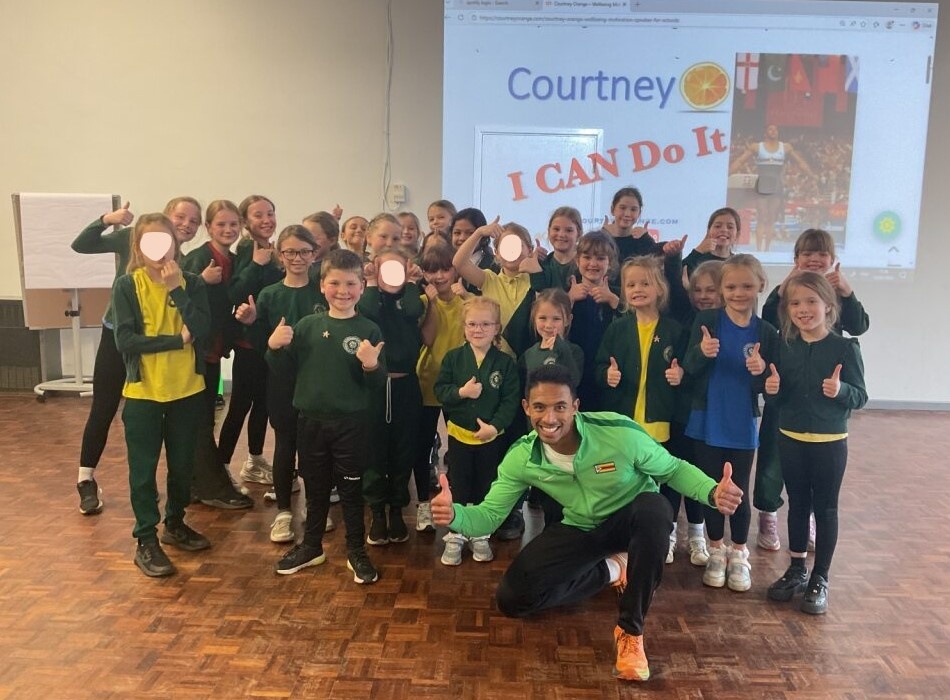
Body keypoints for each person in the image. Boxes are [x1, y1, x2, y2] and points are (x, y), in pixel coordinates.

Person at [431, 364, 742, 682]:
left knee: (655, 509)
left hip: (631, 522)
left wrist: (711, 491)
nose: (549, 418)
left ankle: (631, 631)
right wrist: (455, 515)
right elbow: (489, 516)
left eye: (560, 407)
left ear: (575, 407)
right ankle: (614, 569)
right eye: (539, 407)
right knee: (513, 599)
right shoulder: (522, 456)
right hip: (581, 526)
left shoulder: (618, 433)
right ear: (526, 407)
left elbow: (672, 469)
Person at [70, 197, 202, 516]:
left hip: (159, 352)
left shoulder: (184, 264)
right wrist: (107, 219)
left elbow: (193, 314)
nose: (186, 224)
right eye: (181, 217)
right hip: (119, 336)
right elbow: (81, 244)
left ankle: (157, 493)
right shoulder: (131, 237)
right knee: (104, 406)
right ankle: (85, 479)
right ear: (167, 218)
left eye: (194, 221)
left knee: (155, 422)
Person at [266, 249, 386, 584]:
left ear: (362, 287)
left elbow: (377, 384)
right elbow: (283, 371)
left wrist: (371, 365)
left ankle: (356, 551)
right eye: (335, 283)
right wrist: (273, 347)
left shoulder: (369, 330)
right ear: (322, 286)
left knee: (351, 491)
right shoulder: (307, 326)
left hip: (352, 425)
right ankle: (311, 546)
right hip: (311, 422)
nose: (342, 291)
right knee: (315, 488)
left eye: (350, 284)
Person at [755, 228, 870, 551]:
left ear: (832, 259)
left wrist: (846, 290)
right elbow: (769, 319)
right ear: (796, 258)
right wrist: (784, 287)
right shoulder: (786, 295)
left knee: (816, 471)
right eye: (807, 253)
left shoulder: (837, 296)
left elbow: (859, 325)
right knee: (773, 460)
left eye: (821, 254)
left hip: (823, 398)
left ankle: (807, 519)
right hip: (786, 391)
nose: (814, 259)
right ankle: (768, 514)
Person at [111, 213, 211, 576]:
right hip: (144, 393)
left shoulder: (192, 283)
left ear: (175, 244)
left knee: (182, 466)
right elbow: (125, 341)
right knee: (143, 470)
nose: (158, 250)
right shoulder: (127, 285)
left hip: (188, 390)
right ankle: (145, 539)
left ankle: (175, 523)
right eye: (149, 242)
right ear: (138, 248)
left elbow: (202, 327)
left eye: (164, 241)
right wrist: (176, 341)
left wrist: (175, 290)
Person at [764, 272, 867, 613]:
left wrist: (841, 391)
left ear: (829, 306)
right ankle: (796, 569)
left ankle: (820, 576)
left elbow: (860, 396)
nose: (803, 309)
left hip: (830, 442)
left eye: (811, 301)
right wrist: (771, 391)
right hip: (790, 438)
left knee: (825, 508)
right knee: (797, 504)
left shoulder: (845, 348)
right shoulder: (784, 345)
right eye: (795, 303)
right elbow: (777, 398)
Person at [683, 254, 778, 592]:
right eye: (731, 286)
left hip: (742, 422)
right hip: (706, 419)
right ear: (722, 289)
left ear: (760, 286)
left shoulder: (767, 331)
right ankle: (716, 549)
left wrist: (761, 373)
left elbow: (769, 384)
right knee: (712, 488)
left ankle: (739, 553)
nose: (739, 293)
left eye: (747, 286)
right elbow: (688, 367)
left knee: (738, 489)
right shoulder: (707, 321)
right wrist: (701, 352)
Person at [234, 225, 333, 543]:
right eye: (290, 251)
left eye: (304, 251)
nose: (298, 258)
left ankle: (314, 508)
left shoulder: (322, 292)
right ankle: (284, 512)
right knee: (285, 444)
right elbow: (258, 342)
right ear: (280, 254)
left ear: (314, 253)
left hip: (317, 381)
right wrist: (253, 324)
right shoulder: (269, 294)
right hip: (281, 381)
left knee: (314, 448)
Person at [594, 257, 692, 564]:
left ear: (660, 288)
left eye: (645, 283)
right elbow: (599, 366)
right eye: (631, 284)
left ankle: (665, 532)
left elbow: (687, 369)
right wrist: (606, 375)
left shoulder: (674, 330)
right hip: (625, 424)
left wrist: (681, 374)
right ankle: (625, 533)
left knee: (663, 480)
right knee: (625, 480)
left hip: (660, 422)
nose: (637, 289)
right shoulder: (617, 328)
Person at [181, 200, 258, 509]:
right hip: (194, 351)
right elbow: (177, 297)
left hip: (214, 351)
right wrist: (200, 280)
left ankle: (195, 483)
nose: (228, 229)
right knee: (199, 420)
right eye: (221, 224)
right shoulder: (198, 258)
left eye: (233, 224)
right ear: (208, 227)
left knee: (205, 418)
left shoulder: (236, 261)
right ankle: (208, 486)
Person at [434, 296, 520, 566]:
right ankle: (457, 532)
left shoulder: (505, 363)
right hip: (460, 436)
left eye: (485, 324)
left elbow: (510, 400)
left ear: (497, 328)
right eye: (472, 324)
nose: (478, 329)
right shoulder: (453, 358)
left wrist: (494, 427)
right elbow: (440, 390)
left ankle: (480, 532)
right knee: (459, 484)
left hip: (492, 438)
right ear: (464, 327)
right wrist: (461, 392)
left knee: (487, 484)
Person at [359, 245, 425, 546]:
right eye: (385, 268)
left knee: (403, 450)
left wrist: (410, 283)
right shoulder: (371, 298)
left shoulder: (410, 298)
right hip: (375, 385)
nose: (392, 275)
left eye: (398, 268)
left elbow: (413, 310)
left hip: (406, 386)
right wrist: (373, 282)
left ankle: (397, 510)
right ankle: (376, 512)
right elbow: (368, 312)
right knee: (374, 450)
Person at [219, 195, 282, 488]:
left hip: (268, 343)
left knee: (263, 405)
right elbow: (234, 294)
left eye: (270, 213)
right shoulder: (248, 249)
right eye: (258, 215)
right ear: (245, 222)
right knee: (240, 407)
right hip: (250, 346)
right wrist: (256, 265)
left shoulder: (272, 249)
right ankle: (221, 468)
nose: (266, 220)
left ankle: (254, 461)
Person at [413, 243, 466, 533]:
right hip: (427, 381)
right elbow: (429, 339)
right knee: (422, 446)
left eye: (445, 269)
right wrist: (432, 303)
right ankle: (423, 503)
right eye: (432, 270)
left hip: (458, 387)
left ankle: (458, 503)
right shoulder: (422, 301)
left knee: (458, 448)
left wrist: (466, 297)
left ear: (454, 270)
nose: (439, 276)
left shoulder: (466, 299)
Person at [729, 124, 815, 251]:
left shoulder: (785, 147)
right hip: (762, 184)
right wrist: (728, 172)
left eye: (775, 129)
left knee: (771, 218)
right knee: (761, 217)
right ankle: (759, 250)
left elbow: (800, 161)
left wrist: (811, 174)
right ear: (765, 132)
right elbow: (741, 161)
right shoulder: (757, 147)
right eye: (770, 129)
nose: (773, 131)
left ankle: (767, 250)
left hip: (776, 185)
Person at [682, 207, 741, 281]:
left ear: (737, 234)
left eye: (730, 227)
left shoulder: (738, 263)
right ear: (709, 231)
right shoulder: (697, 258)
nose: (724, 230)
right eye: (717, 226)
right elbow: (678, 275)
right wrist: (698, 251)